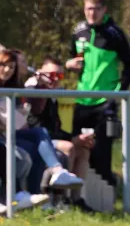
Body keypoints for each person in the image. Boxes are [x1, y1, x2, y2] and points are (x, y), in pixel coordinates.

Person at [66, 0, 130, 188]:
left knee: (101, 149)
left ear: (104, 10)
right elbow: (73, 58)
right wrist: (70, 64)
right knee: (78, 145)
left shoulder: (115, 34)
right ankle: (76, 194)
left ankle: (107, 193)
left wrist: (119, 93)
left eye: (96, 9)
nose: (92, 14)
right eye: (88, 9)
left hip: (105, 100)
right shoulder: (78, 31)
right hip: (82, 98)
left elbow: (129, 65)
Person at [0, 49, 83, 194]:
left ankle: (55, 179)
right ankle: (30, 194)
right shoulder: (30, 88)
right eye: (4, 65)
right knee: (41, 144)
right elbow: (33, 118)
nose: (8, 70)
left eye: (12, 67)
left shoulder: (17, 88)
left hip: (17, 132)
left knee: (39, 138)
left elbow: (28, 120)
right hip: (7, 134)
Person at [25, 56, 95, 211]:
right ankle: (61, 197)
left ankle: (76, 199)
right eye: (51, 75)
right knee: (69, 146)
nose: (54, 79)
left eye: (59, 76)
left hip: (49, 137)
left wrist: (77, 138)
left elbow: (55, 127)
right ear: (40, 73)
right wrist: (72, 139)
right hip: (35, 139)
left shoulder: (52, 94)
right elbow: (35, 125)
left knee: (83, 149)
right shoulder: (33, 89)